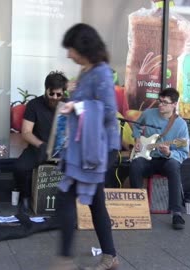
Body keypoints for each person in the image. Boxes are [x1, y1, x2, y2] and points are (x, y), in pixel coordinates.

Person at [50, 23, 120, 270]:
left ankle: (65, 260)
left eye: (70, 49)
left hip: (99, 149)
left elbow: (110, 111)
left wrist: (77, 107)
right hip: (87, 148)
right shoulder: (86, 70)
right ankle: (109, 256)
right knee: (95, 201)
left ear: (83, 48)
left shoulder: (101, 72)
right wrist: (74, 103)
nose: (68, 54)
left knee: (67, 196)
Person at [129, 87, 190, 230]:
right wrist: (137, 139)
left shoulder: (180, 125)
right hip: (147, 157)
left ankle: (176, 212)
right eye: (159, 101)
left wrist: (169, 153)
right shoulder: (148, 114)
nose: (160, 105)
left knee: (174, 166)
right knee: (135, 164)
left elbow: (183, 151)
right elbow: (136, 126)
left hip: (165, 160)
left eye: (165, 103)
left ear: (174, 104)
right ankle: (136, 207)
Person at [14, 71, 68, 213]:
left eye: (59, 94)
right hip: (39, 147)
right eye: (52, 94)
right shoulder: (34, 105)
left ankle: (72, 204)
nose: (55, 98)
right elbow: (26, 132)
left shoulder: (68, 105)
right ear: (46, 89)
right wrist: (41, 145)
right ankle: (25, 199)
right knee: (20, 167)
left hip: (62, 150)